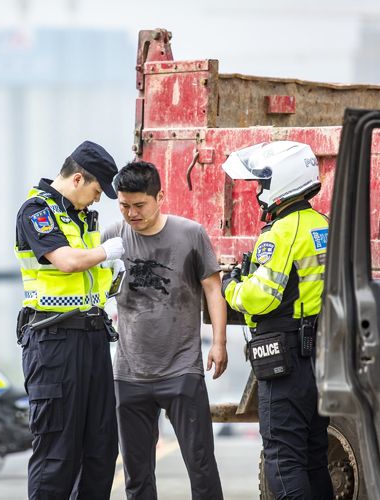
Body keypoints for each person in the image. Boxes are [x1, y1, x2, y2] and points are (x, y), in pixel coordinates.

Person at [102, 161, 227, 500]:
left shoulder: (190, 234)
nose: (131, 213)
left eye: (139, 205)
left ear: (160, 196)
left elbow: (213, 289)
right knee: (136, 474)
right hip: (129, 373)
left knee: (201, 466)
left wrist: (218, 342)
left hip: (181, 370)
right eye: (124, 205)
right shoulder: (112, 238)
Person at [220, 141, 333, 500]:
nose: (258, 191)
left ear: (281, 182)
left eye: (262, 183)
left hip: (285, 361)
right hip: (320, 360)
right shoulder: (324, 224)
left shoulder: (281, 232)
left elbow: (262, 296)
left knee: (283, 461)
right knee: (315, 458)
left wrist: (231, 286)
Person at [14, 141, 124, 500]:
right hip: (53, 342)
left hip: (92, 338)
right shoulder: (36, 210)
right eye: (96, 191)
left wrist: (112, 271)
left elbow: (89, 277)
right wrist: (106, 251)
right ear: (78, 178)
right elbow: (66, 261)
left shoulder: (82, 216)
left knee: (101, 449)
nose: (97, 200)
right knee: (58, 453)